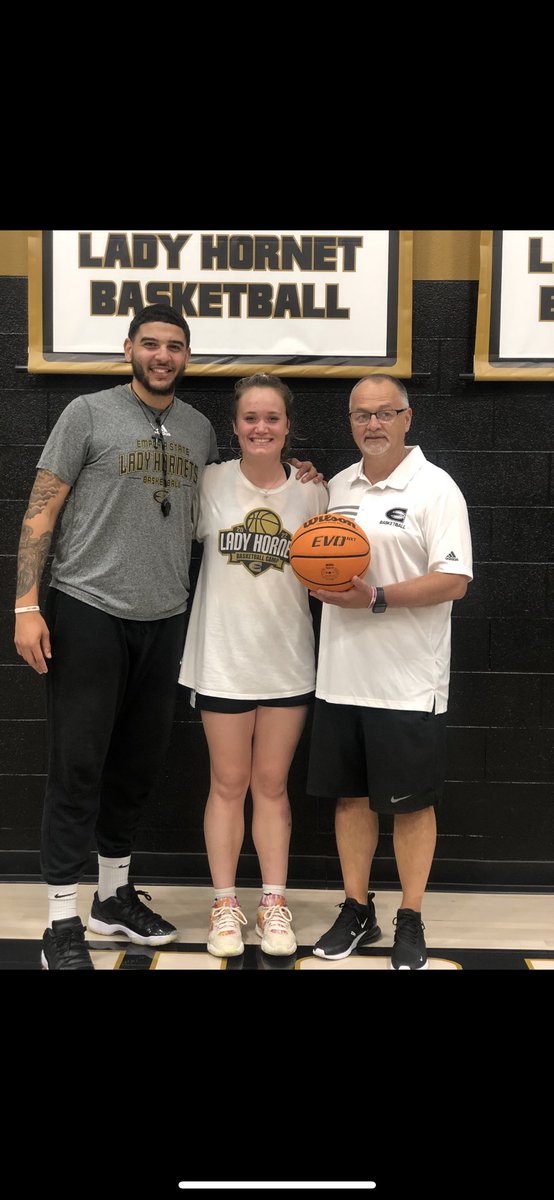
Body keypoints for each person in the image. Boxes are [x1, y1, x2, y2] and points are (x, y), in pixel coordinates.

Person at [14, 307, 320, 970]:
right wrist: (26, 605)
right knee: (77, 764)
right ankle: (61, 920)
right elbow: (43, 503)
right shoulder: (87, 413)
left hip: (165, 619)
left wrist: (306, 479)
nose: (161, 354)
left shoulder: (200, 429)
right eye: (149, 343)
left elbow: (238, 497)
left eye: (173, 345)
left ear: (186, 355)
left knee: (136, 767)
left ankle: (113, 896)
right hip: (89, 607)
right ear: (129, 348)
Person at [307, 374, 473, 969]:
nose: (372, 424)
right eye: (361, 415)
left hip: (407, 681)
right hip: (341, 675)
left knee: (409, 805)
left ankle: (411, 915)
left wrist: (375, 597)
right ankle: (357, 910)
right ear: (350, 422)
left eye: (384, 413)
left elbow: (454, 580)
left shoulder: (435, 488)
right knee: (351, 800)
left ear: (408, 417)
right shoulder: (336, 488)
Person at [178, 373, 328, 958]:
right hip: (221, 659)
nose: (260, 428)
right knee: (227, 783)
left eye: (271, 418)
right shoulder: (208, 482)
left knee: (272, 786)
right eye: (250, 418)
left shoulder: (314, 493)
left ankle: (272, 903)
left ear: (288, 426)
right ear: (234, 426)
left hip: (287, 660)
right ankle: (223, 905)